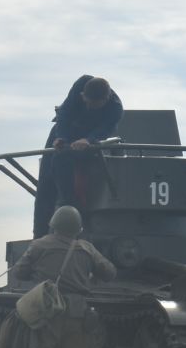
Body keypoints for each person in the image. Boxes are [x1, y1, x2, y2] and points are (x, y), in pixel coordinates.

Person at [0, 205, 119, 348]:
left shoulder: (39, 245)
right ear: (77, 229)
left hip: (45, 312)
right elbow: (110, 273)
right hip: (76, 314)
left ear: (53, 225)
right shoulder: (86, 248)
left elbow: (19, 272)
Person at [32, 75, 125, 236]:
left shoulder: (115, 108)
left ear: (106, 99)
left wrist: (88, 140)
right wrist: (61, 137)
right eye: (86, 102)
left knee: (63, 161)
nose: (89, 106)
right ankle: (39, 236)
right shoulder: (81, 85)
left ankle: (71, 205)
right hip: (66, 132)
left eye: (94, 105)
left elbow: (105, 129)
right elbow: (65, 113)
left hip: (91, 140)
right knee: (46, 184)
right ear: (82, 95)